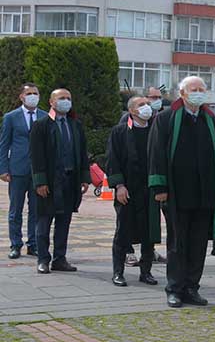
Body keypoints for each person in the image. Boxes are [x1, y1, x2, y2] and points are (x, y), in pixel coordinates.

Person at [148, 76, 215, 308]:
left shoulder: (212, 122)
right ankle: (174, 288)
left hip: (204, 194)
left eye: (202, 89)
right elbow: (156, 153)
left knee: (198, 243)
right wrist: (160, 186)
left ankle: (192, 287)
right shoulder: (166, 119)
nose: (199, 93)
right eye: (194, 89)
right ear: (182, 93)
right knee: (177, 243)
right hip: (176, 194)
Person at [29, 88, 90, 274]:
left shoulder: (75, 125)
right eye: (62, 98)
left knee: (64, 221)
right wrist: (40, 182)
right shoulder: (42, 125)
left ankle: (60, 258)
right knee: (44, 221)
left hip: (70, 180)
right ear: (51, 102)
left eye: (69, 98)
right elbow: (36, 156)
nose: (66, 101)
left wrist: (85, 178)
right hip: (49, 181)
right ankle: (43, 259)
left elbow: (82, 153)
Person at [105, 96, 160, 286]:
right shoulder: (120, 132)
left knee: (149, 232)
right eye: (141, 105)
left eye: (147, 104)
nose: (146, 108)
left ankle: (146, 271)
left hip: (150, 190)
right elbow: (112, 160)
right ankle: (118, 272)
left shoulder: (156, 131)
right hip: (127, 190)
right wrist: (119, 185)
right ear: (132, 111)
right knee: (123, 231)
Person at [120, 87, 167, 267]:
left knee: (150, 220)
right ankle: (128, 251)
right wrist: (120, 184)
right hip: (131, 181)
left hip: (150, 181)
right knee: (127, 219)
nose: (152, 103)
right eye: (149, 99)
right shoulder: (124, 125)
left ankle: (149, 254)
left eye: (156, 99)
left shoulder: (158, 122)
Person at [1, 83, 46, 259]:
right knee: (15, 210)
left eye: (35, 93)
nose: (33, 96)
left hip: (38, 172)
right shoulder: (11, 117)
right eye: (29, 93)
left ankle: (33, 244)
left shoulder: (44, 116)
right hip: (17, 169)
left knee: (36, 210)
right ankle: (15, 244)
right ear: (21, 96)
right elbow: (4, 144)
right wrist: (3, 168)